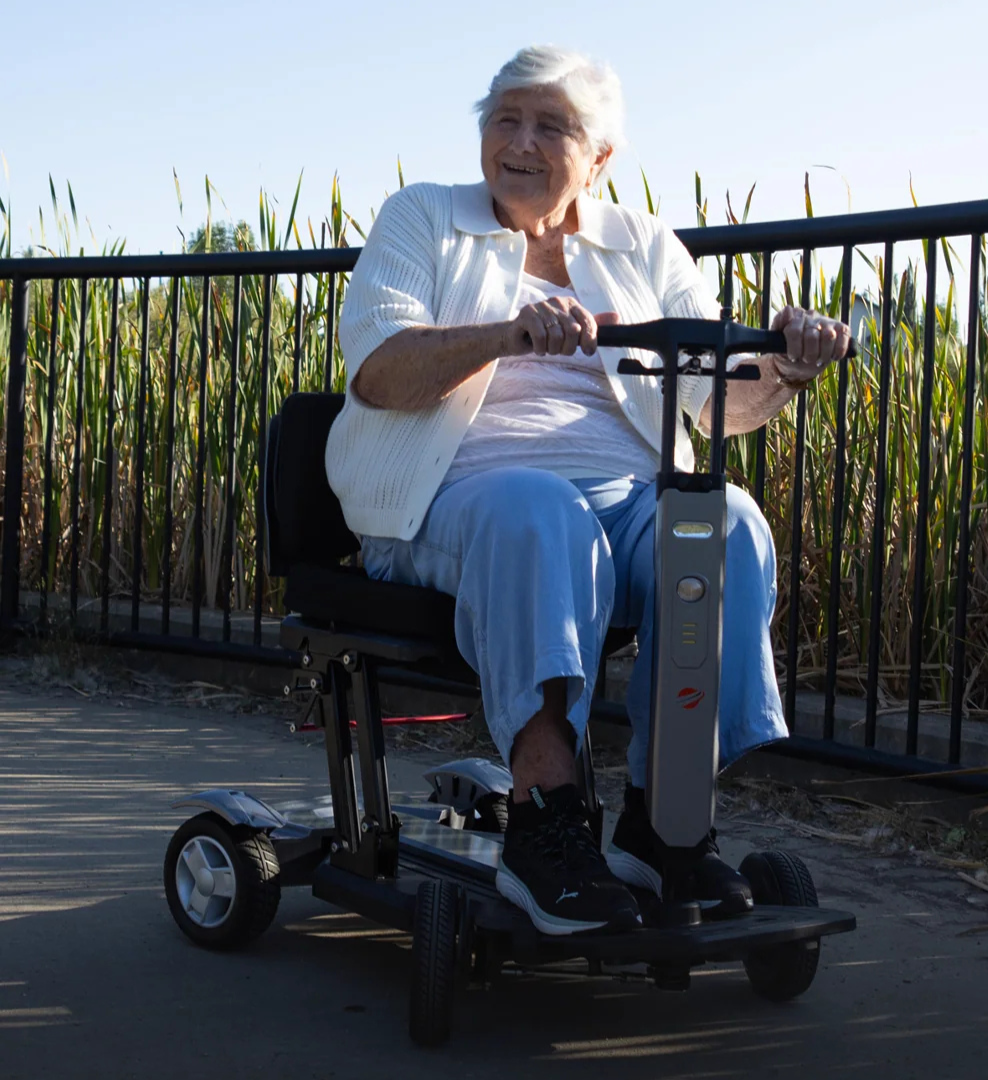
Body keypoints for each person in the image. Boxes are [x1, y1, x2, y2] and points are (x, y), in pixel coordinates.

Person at [325, 45, 851, 937]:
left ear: (600, 157)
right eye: (505, 120)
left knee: (725, 521)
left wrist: (787, 366)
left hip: (623, 502)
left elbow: (716, 399)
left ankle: (664, 824)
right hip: (452, 499)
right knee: (541, 512)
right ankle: (546, 822)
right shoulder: (424, 218)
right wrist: (507, 334)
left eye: (551, 126)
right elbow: (380, 371)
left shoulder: (641, 242)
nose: (520, 143)